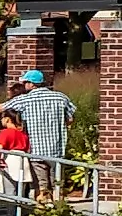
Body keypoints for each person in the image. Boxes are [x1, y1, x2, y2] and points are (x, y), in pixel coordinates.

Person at [5, 70, 75, 199]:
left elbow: (2, 107)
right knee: (58, 183)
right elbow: (70, 118)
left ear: (32, 84)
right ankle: (58, 206)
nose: (25, 85)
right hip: (57, 149)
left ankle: (43, 208)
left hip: (36, 150)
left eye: (26, 82)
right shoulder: (60, 97)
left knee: (41, 186)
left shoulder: (25, 99)